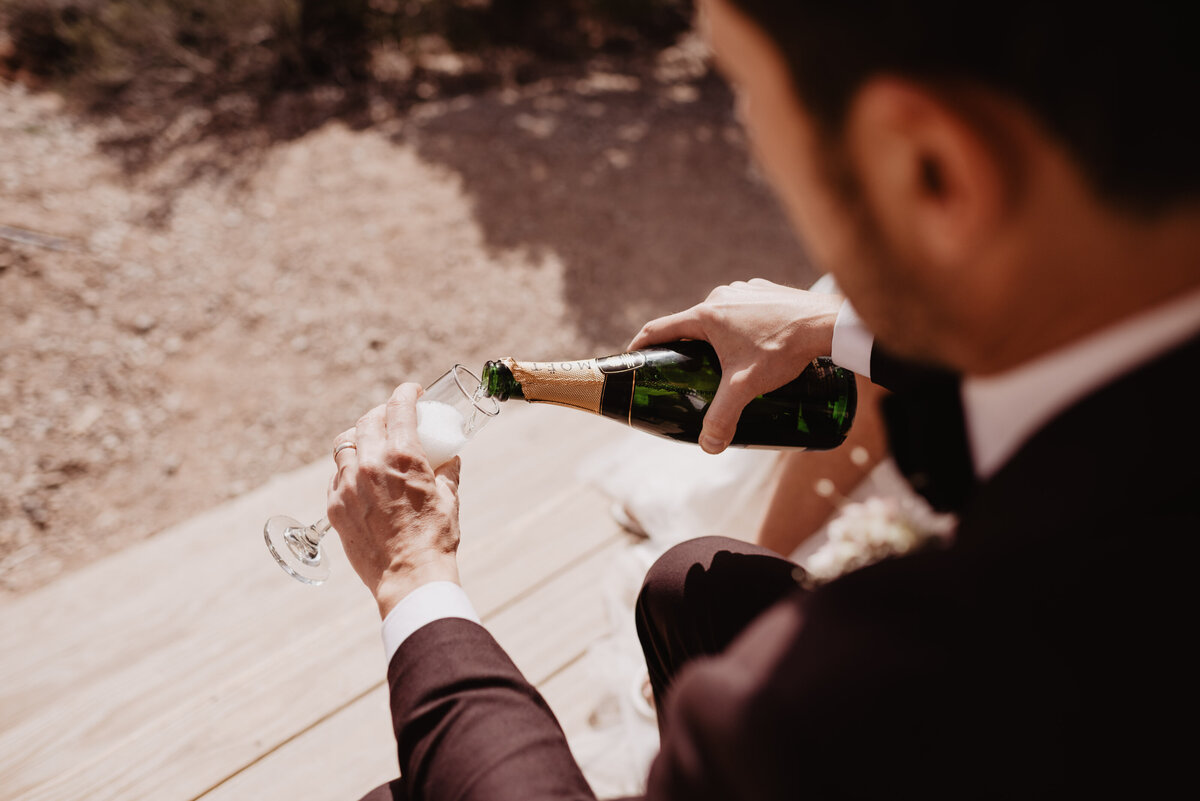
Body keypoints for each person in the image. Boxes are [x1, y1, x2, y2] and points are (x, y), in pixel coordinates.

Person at [327, 0, 1200, 797]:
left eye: (741, 85)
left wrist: (416, 581)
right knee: (686, 584)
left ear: (930, 169)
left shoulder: (851, 702)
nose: (743, 128)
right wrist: (836, 330)